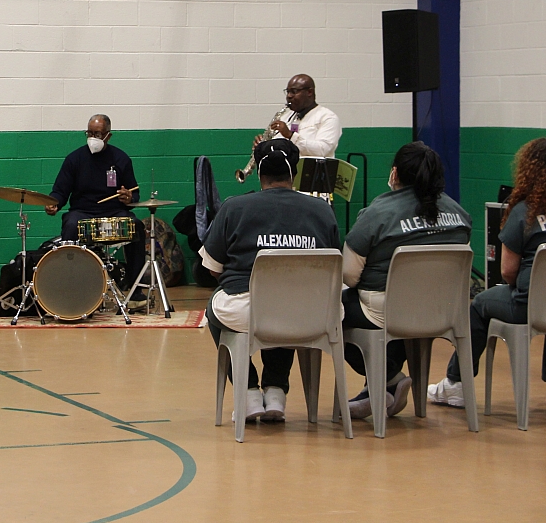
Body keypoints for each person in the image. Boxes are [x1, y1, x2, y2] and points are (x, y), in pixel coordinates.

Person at [429, 137, 546, 408]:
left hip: (529, 305)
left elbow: (508, 272)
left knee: (479, 306)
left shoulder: (524, 212)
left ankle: (456, 383)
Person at [201, 138, 341, 422]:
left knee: (215, 310)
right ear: (295, 171)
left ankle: (250, 392)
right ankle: (276, 391)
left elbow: (212, 268)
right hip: (312, 315)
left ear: (259, 173)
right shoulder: (323, 209)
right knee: (286, 306)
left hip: (248, 311)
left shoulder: (233, 207)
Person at [342, 141, 472, 419]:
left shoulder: (378, 212)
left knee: (329, 310)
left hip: (386, 309)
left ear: (395, 174)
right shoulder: (460, 214)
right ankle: (376, 391)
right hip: (442, 310)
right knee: (401, 309)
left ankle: (389, 378)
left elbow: (349, 276)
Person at [45, 114, 146, 308]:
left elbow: (134, 193)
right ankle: (71, 289)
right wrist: (54, 203)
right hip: (82, 212)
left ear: (108, 135)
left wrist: (129, 198)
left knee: (137, 226)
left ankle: (135, 290)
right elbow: (59, 191)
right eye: (89, 133)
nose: (93, 138)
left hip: (114, 212)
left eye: (97, 134)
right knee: (71, 224)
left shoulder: (121, 159)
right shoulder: (74, 159)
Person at [255, 73, 342, 158]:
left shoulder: (328, 117)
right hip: (287, 171)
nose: (289, 96)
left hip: (313, 171)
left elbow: (323, 149)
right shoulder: (286, 117)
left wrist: (291, 135)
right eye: (288, 92)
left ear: (309, 92)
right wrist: (264, 146)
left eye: (294, 92)